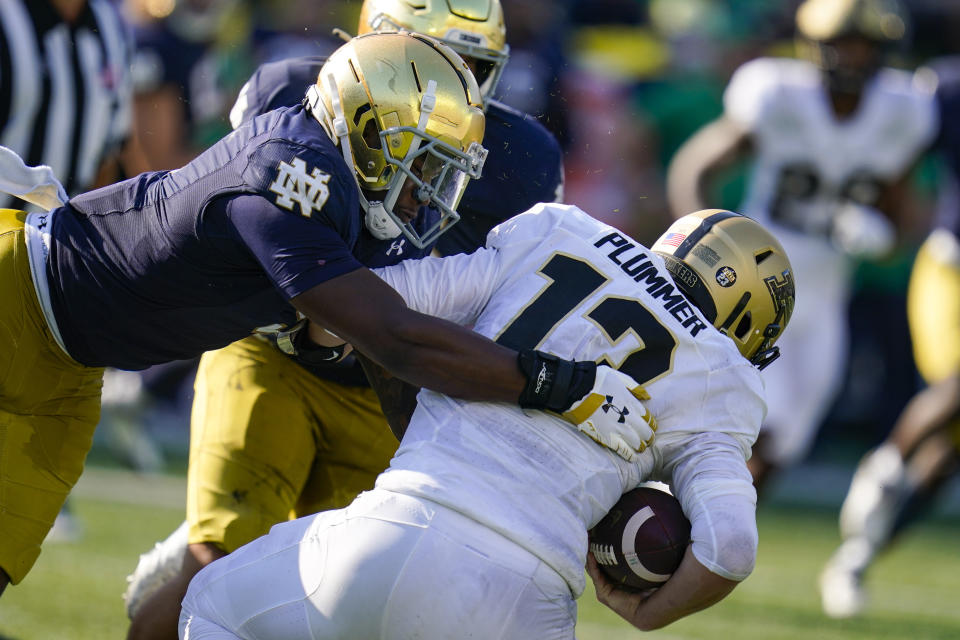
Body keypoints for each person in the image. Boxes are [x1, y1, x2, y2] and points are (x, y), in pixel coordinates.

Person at [0, 31, 655, 598]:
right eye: (419, 154)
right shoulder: (292, 167)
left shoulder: (343, 189)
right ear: (366, 125)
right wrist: (557, 384)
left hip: (73, 362)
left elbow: (380, 350)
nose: (427, 181)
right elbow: (394, 336)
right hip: (19, 292)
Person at [123, 3, 565, 637]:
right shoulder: (292, 95)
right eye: (424, 55)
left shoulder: (522, 155)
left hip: (389, 384)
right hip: (275, 354)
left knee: (349, 604)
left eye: (470, 65)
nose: (444, 84)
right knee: (220, 563)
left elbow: (508, 298)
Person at [177, 205, 796, 639]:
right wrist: (646, 613)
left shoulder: (562, 229)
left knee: (210, 606)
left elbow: (378, 305)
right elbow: (731, 548)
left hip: (395, 529)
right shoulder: (726, 380)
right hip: (527, 599)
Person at [666, 0, 937, 491]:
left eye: (863, 47)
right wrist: (700, 248)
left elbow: (901, 223)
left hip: (827, 292)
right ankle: (683, 525)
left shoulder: (903, 109)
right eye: (841, 46)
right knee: (750, 426)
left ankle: (714, 542)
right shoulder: (778, 93)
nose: (852, 59)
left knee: (788, 440)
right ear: (815, 47)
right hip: (755, 280)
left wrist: (879, 235)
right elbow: (697, 166)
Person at [818, 55, 960, 619]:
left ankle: (856, 557)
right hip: (954, 268)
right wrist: (869, 206)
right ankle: (883, 468)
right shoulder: (947, 89)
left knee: (948, 452)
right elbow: (890, 153)